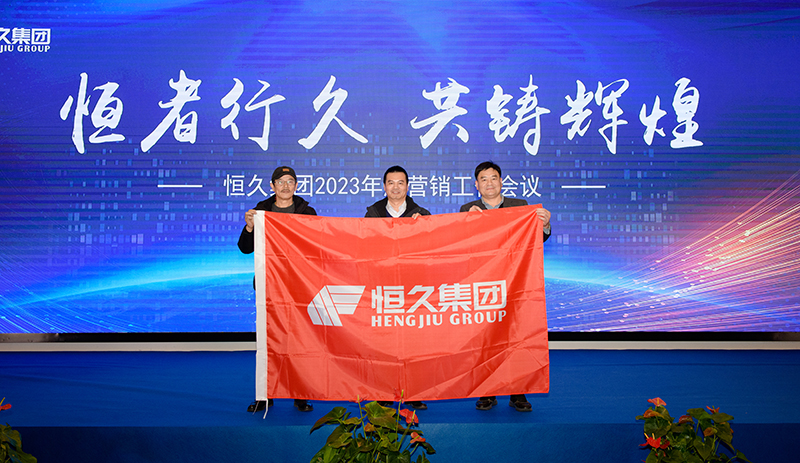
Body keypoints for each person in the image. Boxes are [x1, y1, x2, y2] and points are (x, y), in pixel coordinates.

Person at [459, 160, 552, 412]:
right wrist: (466, 223)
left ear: (501, 181)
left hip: (515, 281)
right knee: (486, 337)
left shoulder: (519, 206)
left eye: (493, 178)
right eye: (484, 179)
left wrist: (544, 225)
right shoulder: (468, 209)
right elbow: (461, 245)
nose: (489, 183)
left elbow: (536, 238)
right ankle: (487, 391)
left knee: (516, 336)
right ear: (476, 185)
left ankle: (517, 391)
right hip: (484, 283)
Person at [238, 165, 316, 413]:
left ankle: (300, 393)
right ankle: (265, 395)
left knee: (299, 340)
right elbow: (245, 248)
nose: (285, 186)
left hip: (297, 286)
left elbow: (315, 247)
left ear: (296, 185)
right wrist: (250, 227)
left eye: (290, 181)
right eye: (280, 181)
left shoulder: (307, 212)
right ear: (272, 186)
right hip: (268, 285)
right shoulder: (261, 211)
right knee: (267, 341)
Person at [365, 165, 430, 410]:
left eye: (400, 182)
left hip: (412, 290)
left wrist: (423, 227)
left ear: (407, 186)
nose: (395, 187)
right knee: (384, 342)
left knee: (412, 343)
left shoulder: (421, 214)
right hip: (383, 289)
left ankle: (412, 392)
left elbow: (431, 249)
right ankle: (384, 392)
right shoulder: (372, 214)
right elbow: (363, 247)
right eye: (391, 182)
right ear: (384, 186)